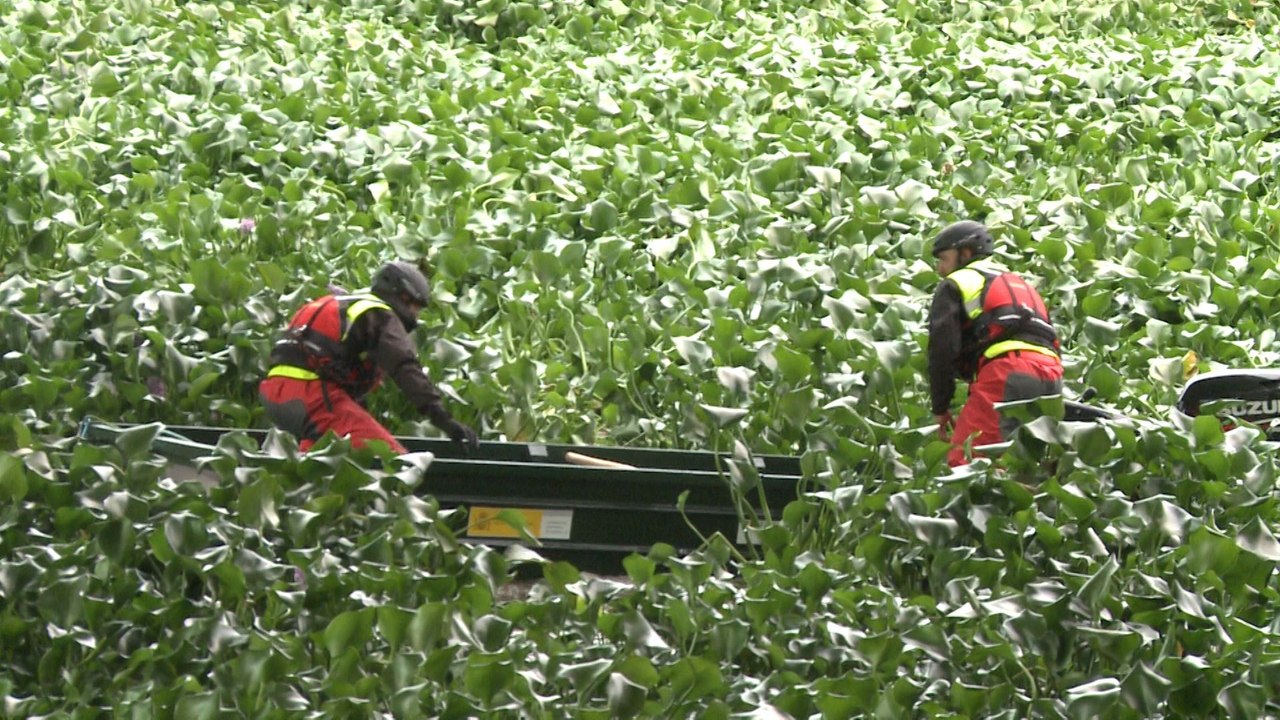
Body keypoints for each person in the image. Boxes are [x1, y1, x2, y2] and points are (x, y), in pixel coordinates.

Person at [259, 261, 478, 454]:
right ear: (402, 297)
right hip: (311, 396)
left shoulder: (343, 305)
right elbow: (405, 367)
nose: (416, 316)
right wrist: (444, 421)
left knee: (323, 460)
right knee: (392, 462)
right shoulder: (379, 315)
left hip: (275, 394)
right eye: (416, 307)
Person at [926, 221, 1063, 466]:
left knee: (965, 463)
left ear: (965, 253)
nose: (940, 269)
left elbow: (942, 348)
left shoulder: (956, 283)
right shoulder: (1019, 283)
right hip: (1052, 375)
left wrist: (940, 407)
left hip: (1008, 371)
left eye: (944, 259)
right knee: (1019, 465)